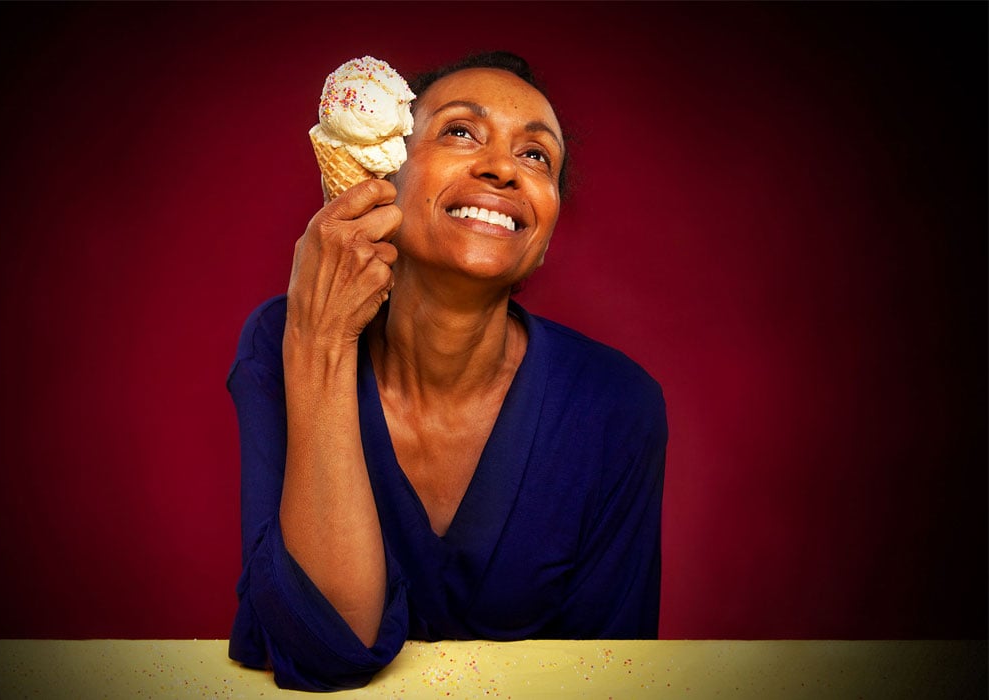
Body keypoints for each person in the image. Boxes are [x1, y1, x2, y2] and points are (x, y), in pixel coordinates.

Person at [226, 51, 667, 692]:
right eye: (460, 131)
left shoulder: (616, 406)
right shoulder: (284, 338)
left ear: (543, 231)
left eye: (537, 156)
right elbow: (325, 646)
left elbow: (611, 678)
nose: (501, 168)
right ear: (385, 176)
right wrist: (320, 338)